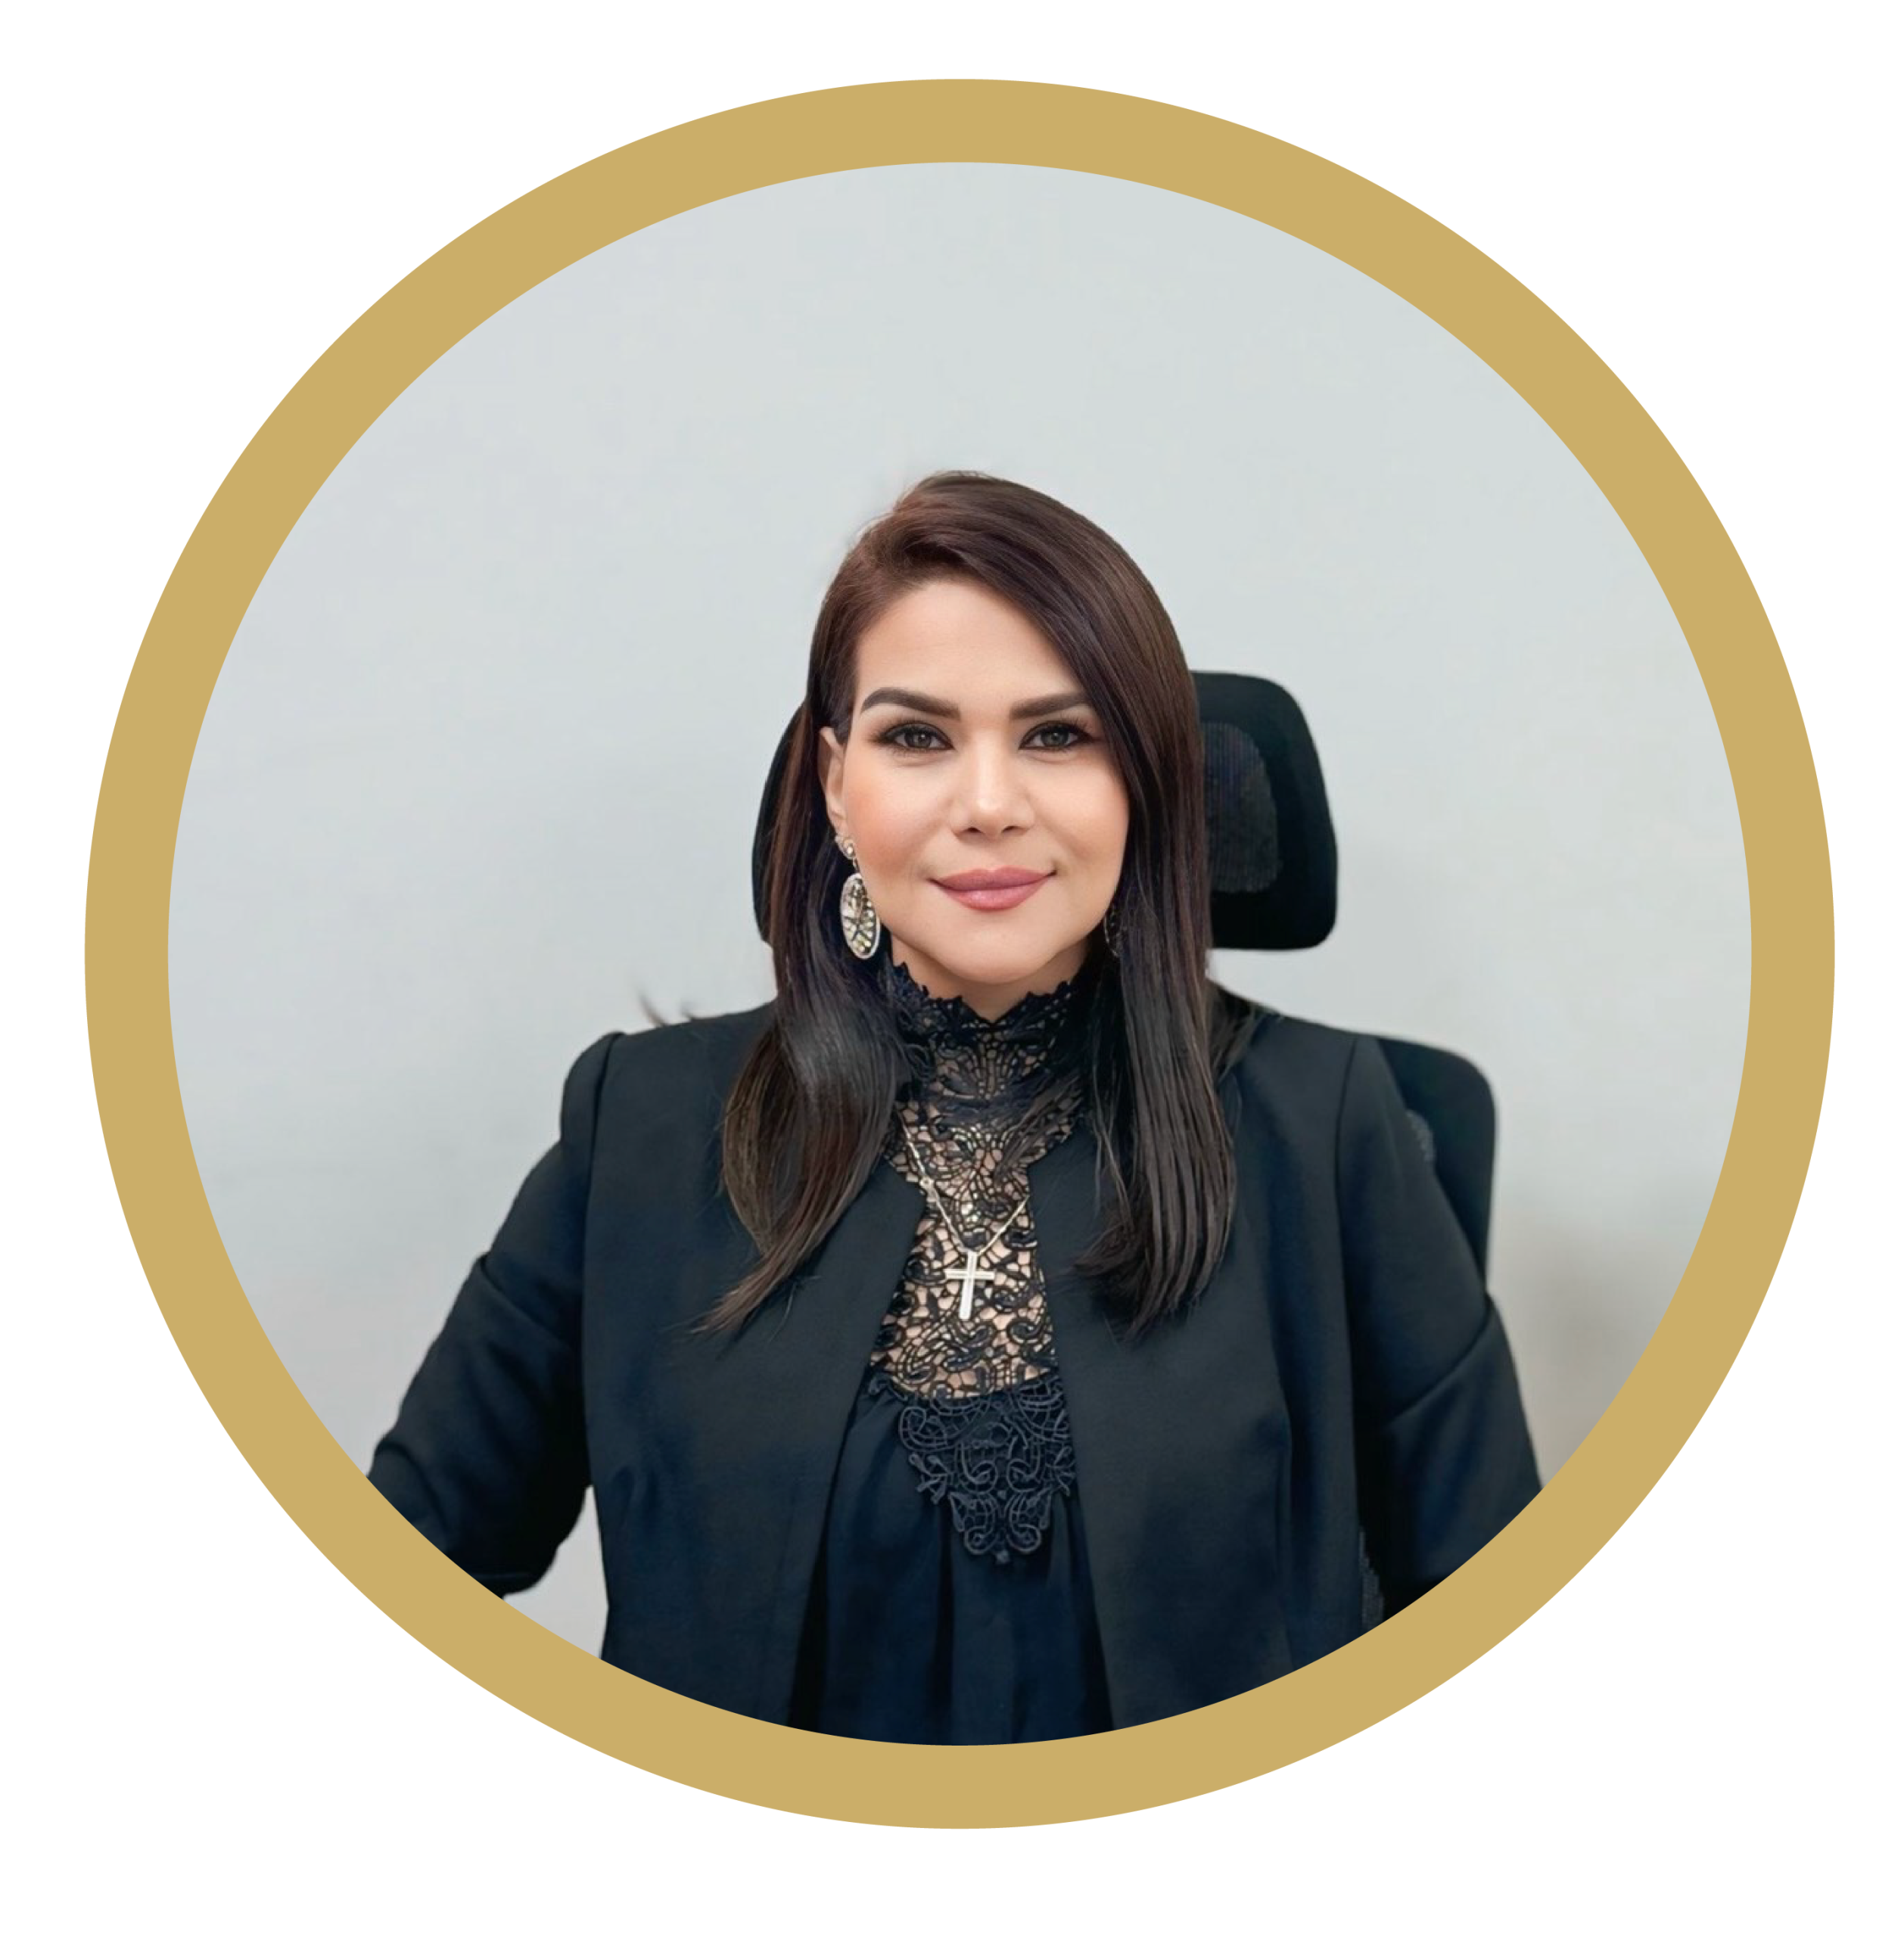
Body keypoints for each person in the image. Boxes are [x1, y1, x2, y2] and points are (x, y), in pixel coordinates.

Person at [369, 471, 1541, 1744]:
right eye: (918, 738)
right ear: (834, 783)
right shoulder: (637, 1126)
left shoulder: (1332, 1126)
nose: (987, 805)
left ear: (1145, 782)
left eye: (1060, 736)